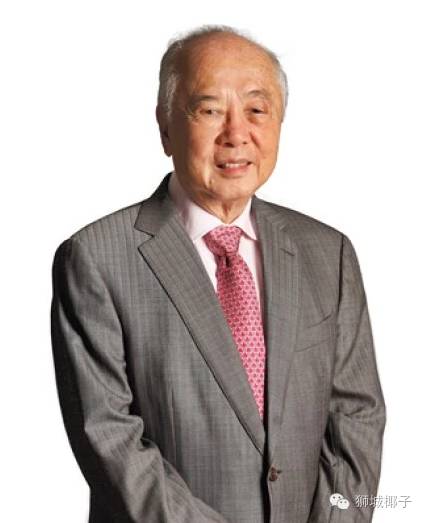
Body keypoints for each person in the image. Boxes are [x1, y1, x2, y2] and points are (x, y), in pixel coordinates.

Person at [50, 25, 386, 523]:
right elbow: (110, 438)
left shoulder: (328, 253)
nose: (236, 134)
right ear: (165, 127)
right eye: (208, 110)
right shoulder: (96, 258)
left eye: (257, 110)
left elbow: (357, 418)